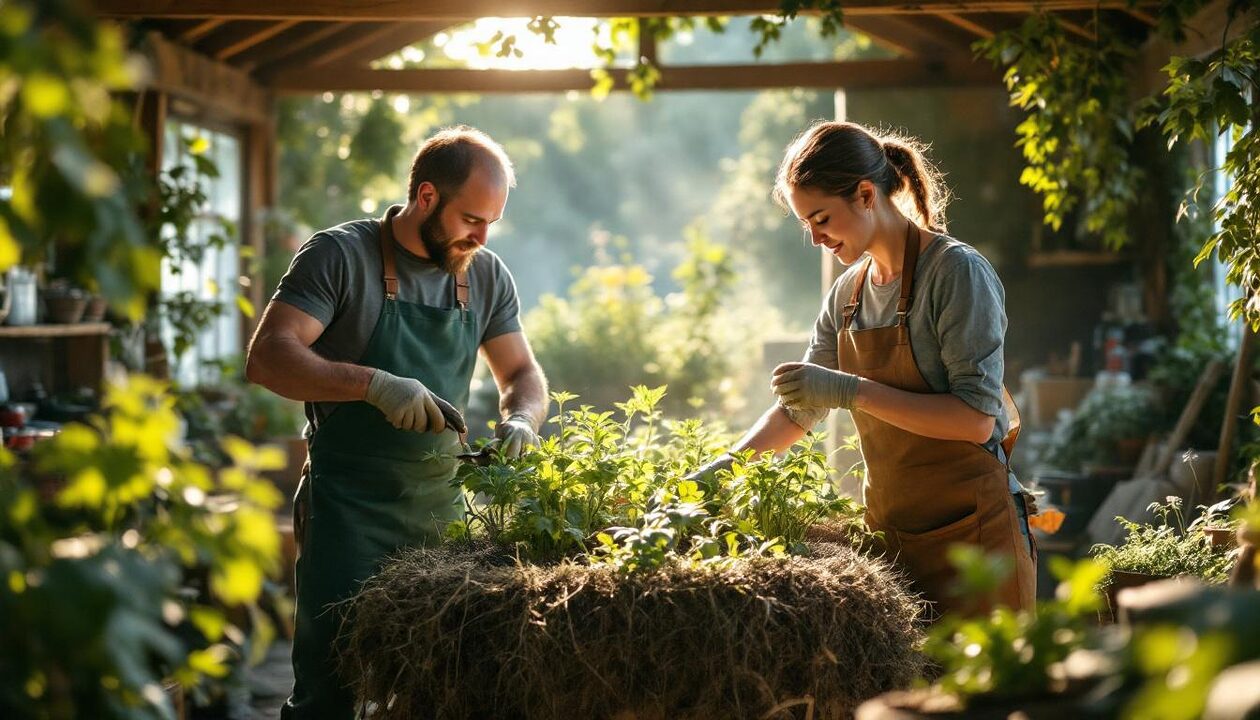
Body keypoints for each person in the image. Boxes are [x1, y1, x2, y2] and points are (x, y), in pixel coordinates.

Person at [245, 126, 548, 719]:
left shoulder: (484, 275)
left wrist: (522, 422)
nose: (482, 237)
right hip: (348, 514)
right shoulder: (340, 255)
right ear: (427, 197)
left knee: (441, 687)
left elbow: (523, 376)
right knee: (330, 691)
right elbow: (268, 357)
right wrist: (372, 384)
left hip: (442, 515)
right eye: (471, 219)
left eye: (492, 223)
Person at [691, 121, 1035, 618]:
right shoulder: (847, 294)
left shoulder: (956, 272)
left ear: (867, 194)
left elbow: (975, 419)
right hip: (894, 540)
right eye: (805, 223)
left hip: (975, 538)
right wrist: (721, 471)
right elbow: (799, 410)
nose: (814, 238)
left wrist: (852, 390)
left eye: (822, 217)